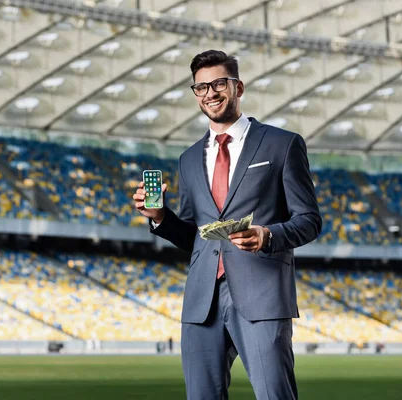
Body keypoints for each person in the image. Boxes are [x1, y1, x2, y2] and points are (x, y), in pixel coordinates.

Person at [133, 50, 321, 400]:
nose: (211, 93)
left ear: (238, 87)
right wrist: (160, 218)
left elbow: (309, 220)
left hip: (262, 294)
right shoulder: (188, 159)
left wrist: (268, 236)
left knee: (275, 395)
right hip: (202, 300)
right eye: (201, 87)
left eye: (219, 83)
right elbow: (196, 236)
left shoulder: (282, 144)